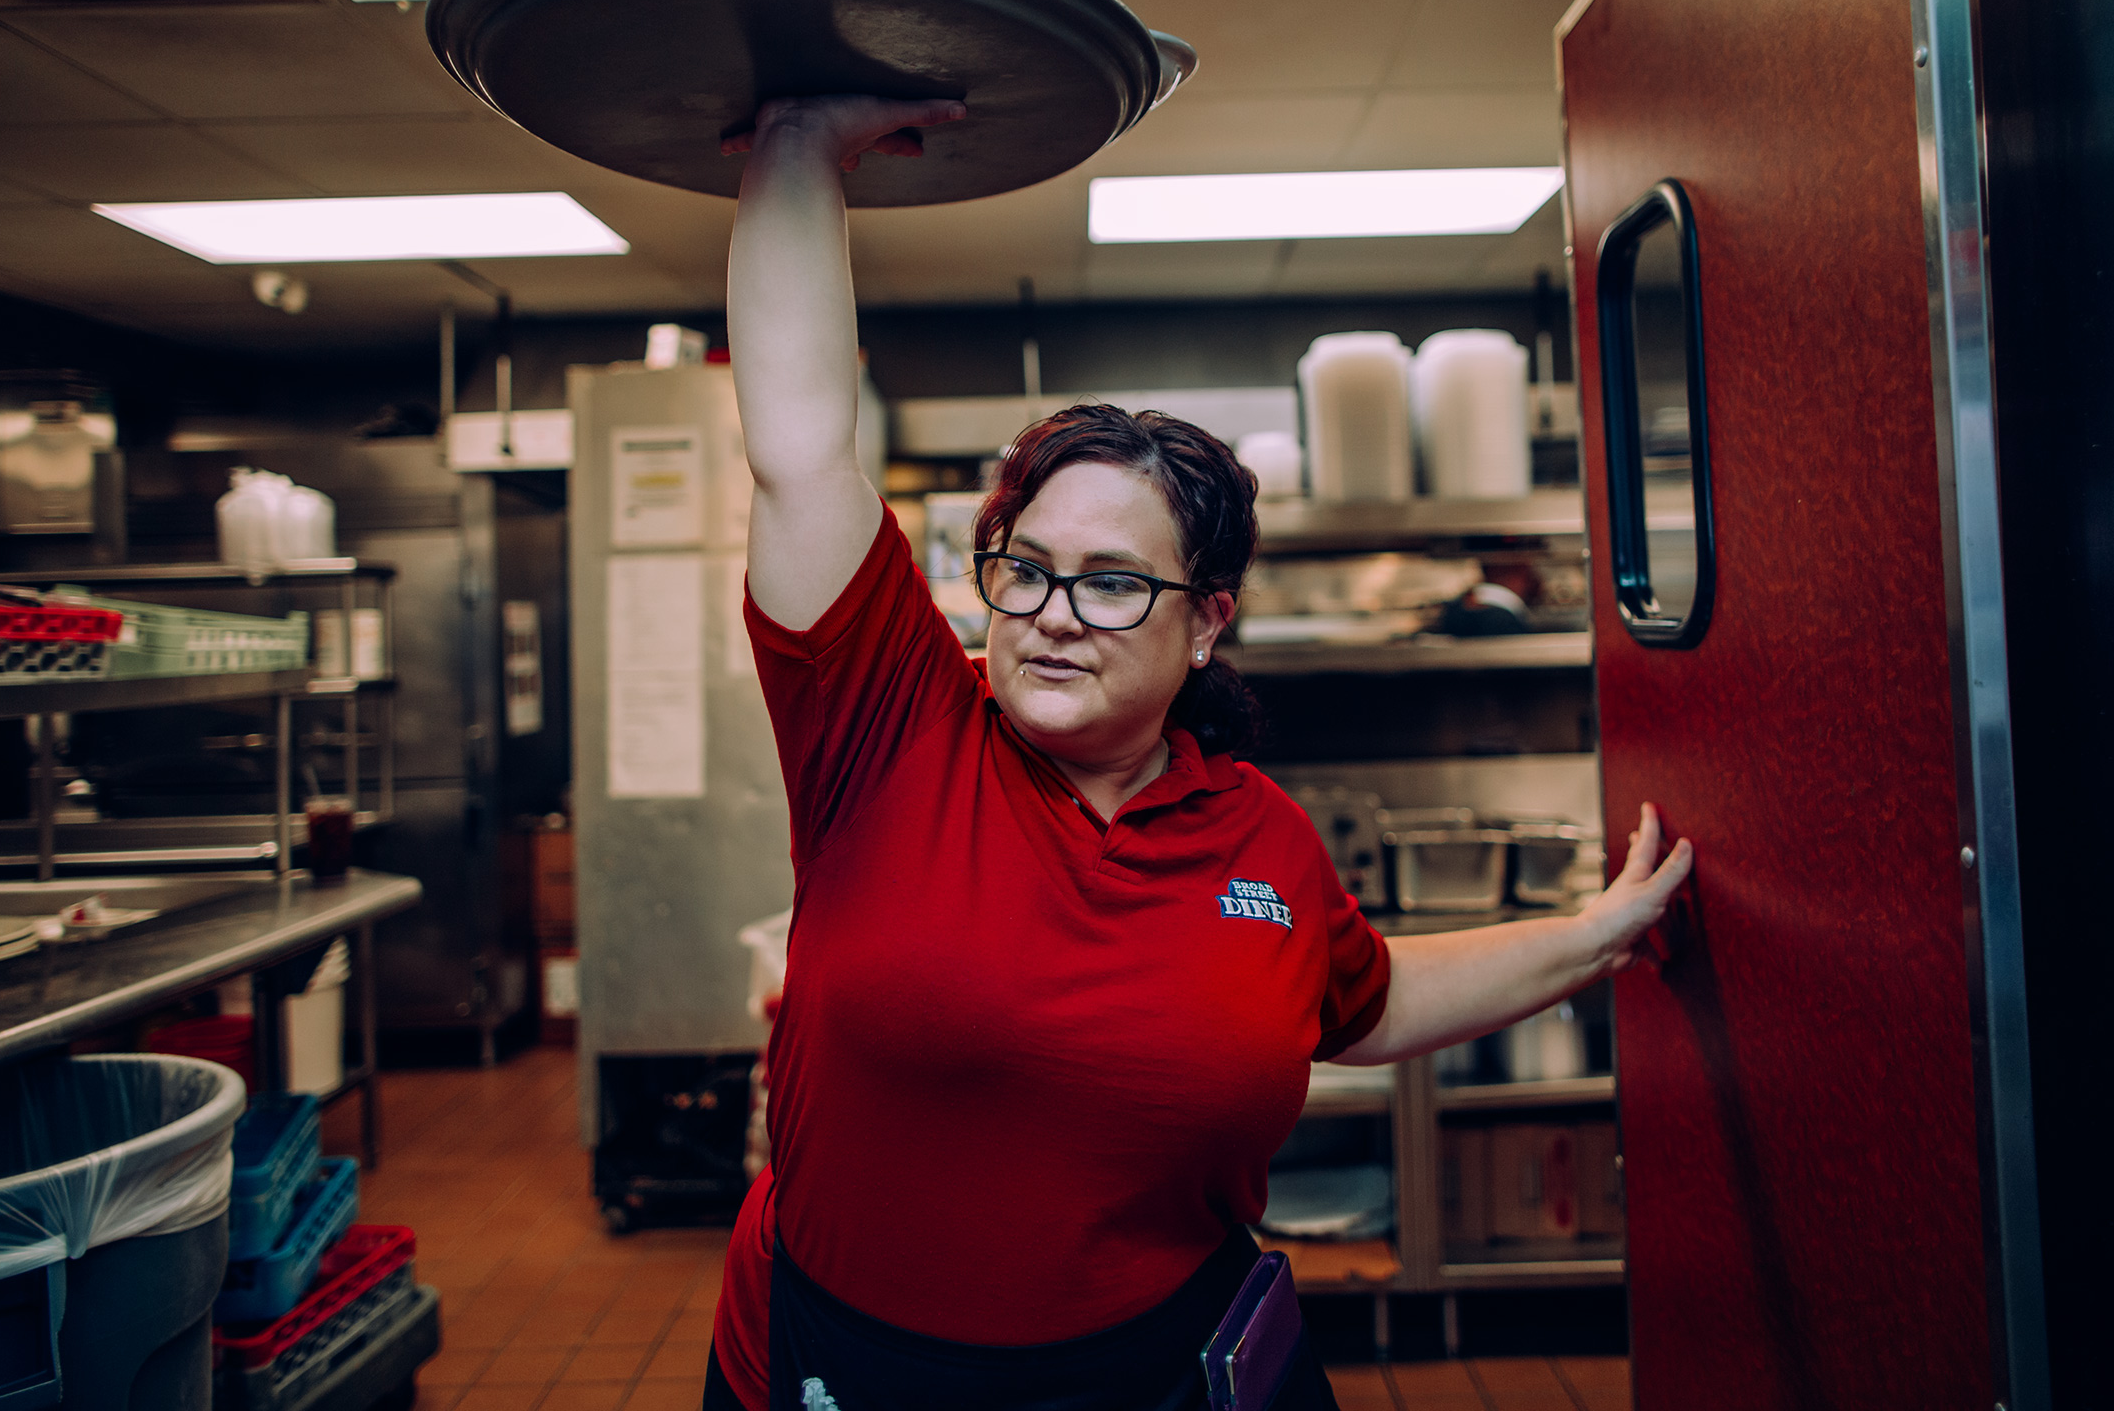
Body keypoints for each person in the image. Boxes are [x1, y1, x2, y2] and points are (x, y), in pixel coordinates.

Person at [706, 94, 1694, 1411]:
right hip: (852, 1366)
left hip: (1161, 1372)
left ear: (1207, 621)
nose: (1055, 615)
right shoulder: (888, 724)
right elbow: (800, 446)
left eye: (1113, 583)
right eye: (1028, 572)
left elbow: (1371, 1000)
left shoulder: (1260, 839)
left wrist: (1600, 933)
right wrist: (802, 146)